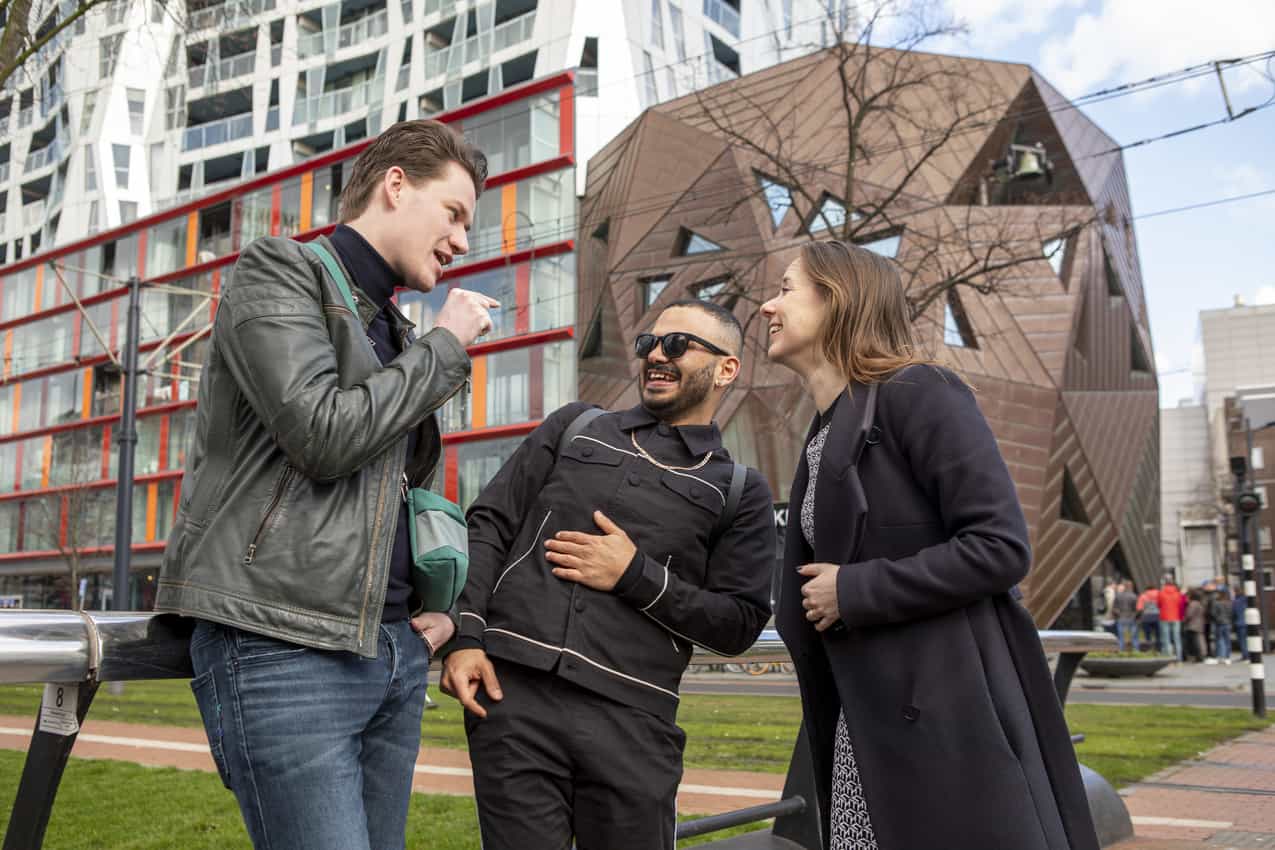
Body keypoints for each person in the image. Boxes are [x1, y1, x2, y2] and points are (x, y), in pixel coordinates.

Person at [154, 121, 498, 850]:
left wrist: (435, 616)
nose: (463, 241)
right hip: (283, 644)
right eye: (455, 213)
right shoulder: (280, 270)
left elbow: (390, 502)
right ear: (395, 184)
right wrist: (446, 345)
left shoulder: (398, 334)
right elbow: (323, 434)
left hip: (390, 650)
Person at [760, 240, 1099, 850]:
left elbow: (1000, 546)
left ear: (837, 300)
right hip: (864, 723)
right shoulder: (826, 428)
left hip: (942, 720)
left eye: (785, 288)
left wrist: (856, 589)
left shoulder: (919, 392)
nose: (767, 306)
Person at [441, 300, 775, 850]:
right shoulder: (575, 426)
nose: (656, 357)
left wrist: (634, 575)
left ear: (726, 369)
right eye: (649, 343)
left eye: (677, 345)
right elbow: (489, 524)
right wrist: (466, 638)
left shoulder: (739, 490)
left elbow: (738, 622)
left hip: (635, 727)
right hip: (515, 702)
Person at [1159, 577, 1183, 661]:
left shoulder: (1161, 593)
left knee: (1166, 638)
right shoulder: (1178, 593)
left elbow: (1159, 604)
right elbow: (1180, 605)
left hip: (1164, 617)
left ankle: (1169, 658)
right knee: (1177, 638)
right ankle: (1179, 658)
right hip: (1176, 617)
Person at [1208, 587, 1233, 665]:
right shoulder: (1229, 602)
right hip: (1228, 623)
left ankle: (1220, 656)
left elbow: (1213, 613)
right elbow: (1231, 613)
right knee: (1227, 640)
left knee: (1219, 640)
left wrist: (1217, 619)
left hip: (1219, 624)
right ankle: (1227, 657)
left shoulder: (1216, 603)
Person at [1114, 582, 1138, 653]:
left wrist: (1118, 615)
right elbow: (1136, 608)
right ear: (1131, 587)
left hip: (1121, 617)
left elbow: (1115, 608)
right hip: (1131, 618)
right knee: (1134, 636)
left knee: (1121, 636)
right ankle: (1136, 651)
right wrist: (1135, 616)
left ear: (1124, 587)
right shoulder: (1134, 596)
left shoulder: (1118, 596)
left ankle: (1120, 651)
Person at [1137, 584, 1161, 652]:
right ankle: (1159, 650)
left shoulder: (1143, 596)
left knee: (1148, 636)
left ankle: (1149, 650)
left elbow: (1139, 608)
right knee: (1158, 636)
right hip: (1157, 617)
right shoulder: (1159, 595)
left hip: (1146, 618)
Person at [1184, 589, 1207, 662]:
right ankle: (1201, 656)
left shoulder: (1193, 604)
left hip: (1193, 625)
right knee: (1199, 641)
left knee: (1195, 642)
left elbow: (1189, 615)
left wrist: (1184, 620)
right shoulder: (1200, 603)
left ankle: (1198, 657)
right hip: (1199, 625)